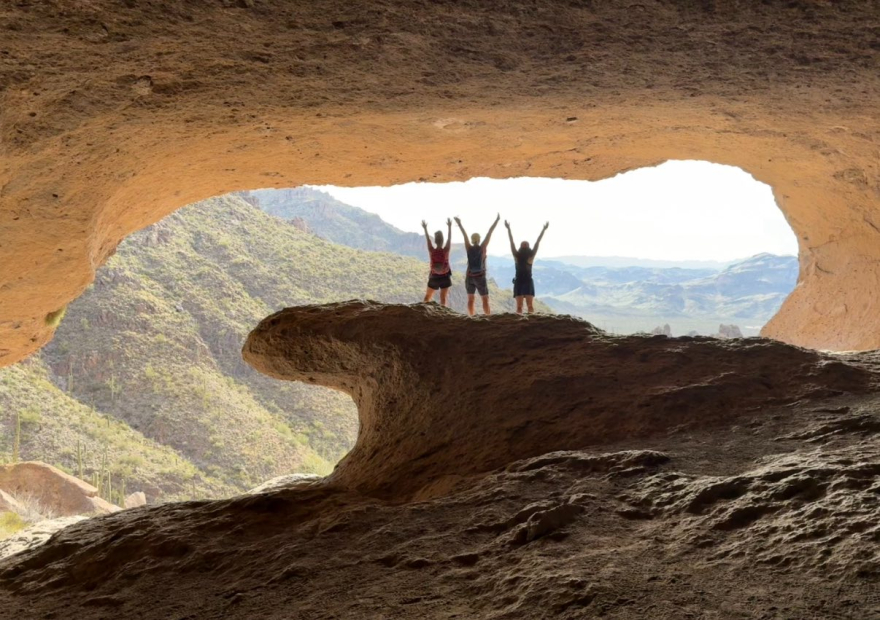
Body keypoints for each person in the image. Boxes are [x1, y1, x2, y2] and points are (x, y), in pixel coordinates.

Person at [455, 214, 500, 316]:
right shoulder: (483, 246)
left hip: (469, 276)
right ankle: (488, 317)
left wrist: (459, 224)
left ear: (471, 240)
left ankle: (471, 317)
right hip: (480, 277)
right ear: (479, 239)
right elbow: (490, 232)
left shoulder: (468, 247)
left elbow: (464, 234)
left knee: (470, 299)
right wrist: (497, 220)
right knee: (485, 299)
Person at [505, 220, 549, 314]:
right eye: (523, 244)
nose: (524, 245)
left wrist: (543, 230)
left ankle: (531, 324)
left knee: (529, 306)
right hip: (521, 281)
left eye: (526, 244)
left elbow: (537, 242)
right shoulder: (518, 256)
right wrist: (508, 229)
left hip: (525, 281)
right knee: (519, 307)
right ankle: (520, 324)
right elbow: (511, 242)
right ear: (520, 247)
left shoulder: (528, 257)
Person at [422, 218, 453, 306]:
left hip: (434, 276)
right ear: (443, 240)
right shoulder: (446, 250)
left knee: (427, 296)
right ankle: (443, 316)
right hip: (445, 276)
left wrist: (425, 228)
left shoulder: (431, 250)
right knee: (443, 298)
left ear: (435, 241)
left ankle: (422, 312)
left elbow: (428, 239)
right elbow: (449, 239)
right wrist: (449, 227)